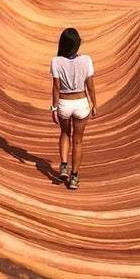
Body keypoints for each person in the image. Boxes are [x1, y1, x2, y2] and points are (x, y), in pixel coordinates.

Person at [49, 27, 97, 190]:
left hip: (64, 103)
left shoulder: (56, 61)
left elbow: (56, 87)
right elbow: (90, 85)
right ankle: (74, 177)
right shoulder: (87, 60)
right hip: (81, 103)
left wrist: (54, 108)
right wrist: (94, 104)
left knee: (64, 133)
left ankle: (63, 165)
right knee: (78, 141)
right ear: (77, 44)